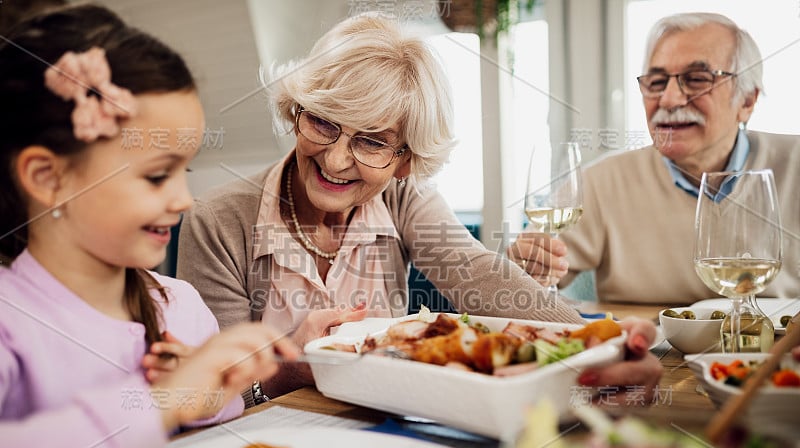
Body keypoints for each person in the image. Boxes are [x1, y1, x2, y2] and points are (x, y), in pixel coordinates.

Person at [177, 13, 661, 400]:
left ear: (404, 161)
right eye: (324, 123)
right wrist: (289, 372)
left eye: (371, 142)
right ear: (296, 111)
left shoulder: (403, 197)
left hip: (389, 428)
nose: (336, 158)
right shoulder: (218, 220)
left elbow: (475, 273)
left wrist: (599, 347)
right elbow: (211, 391)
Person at [0, 5, 299, 448]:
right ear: (47, 177)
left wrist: (203, 396)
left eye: (187, 170)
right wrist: (157, 401)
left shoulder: (179, 305)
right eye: (158, 176)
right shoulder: (11, 320)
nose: (185, 199)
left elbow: (216, 424)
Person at [508, 12, 800, 305]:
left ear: (747, 100)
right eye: (657, 82)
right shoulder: (601, 181)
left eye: (697, 79)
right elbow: (524, 279)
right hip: (644, 348)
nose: (670, 99)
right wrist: (524, 268)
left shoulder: (795, 164)